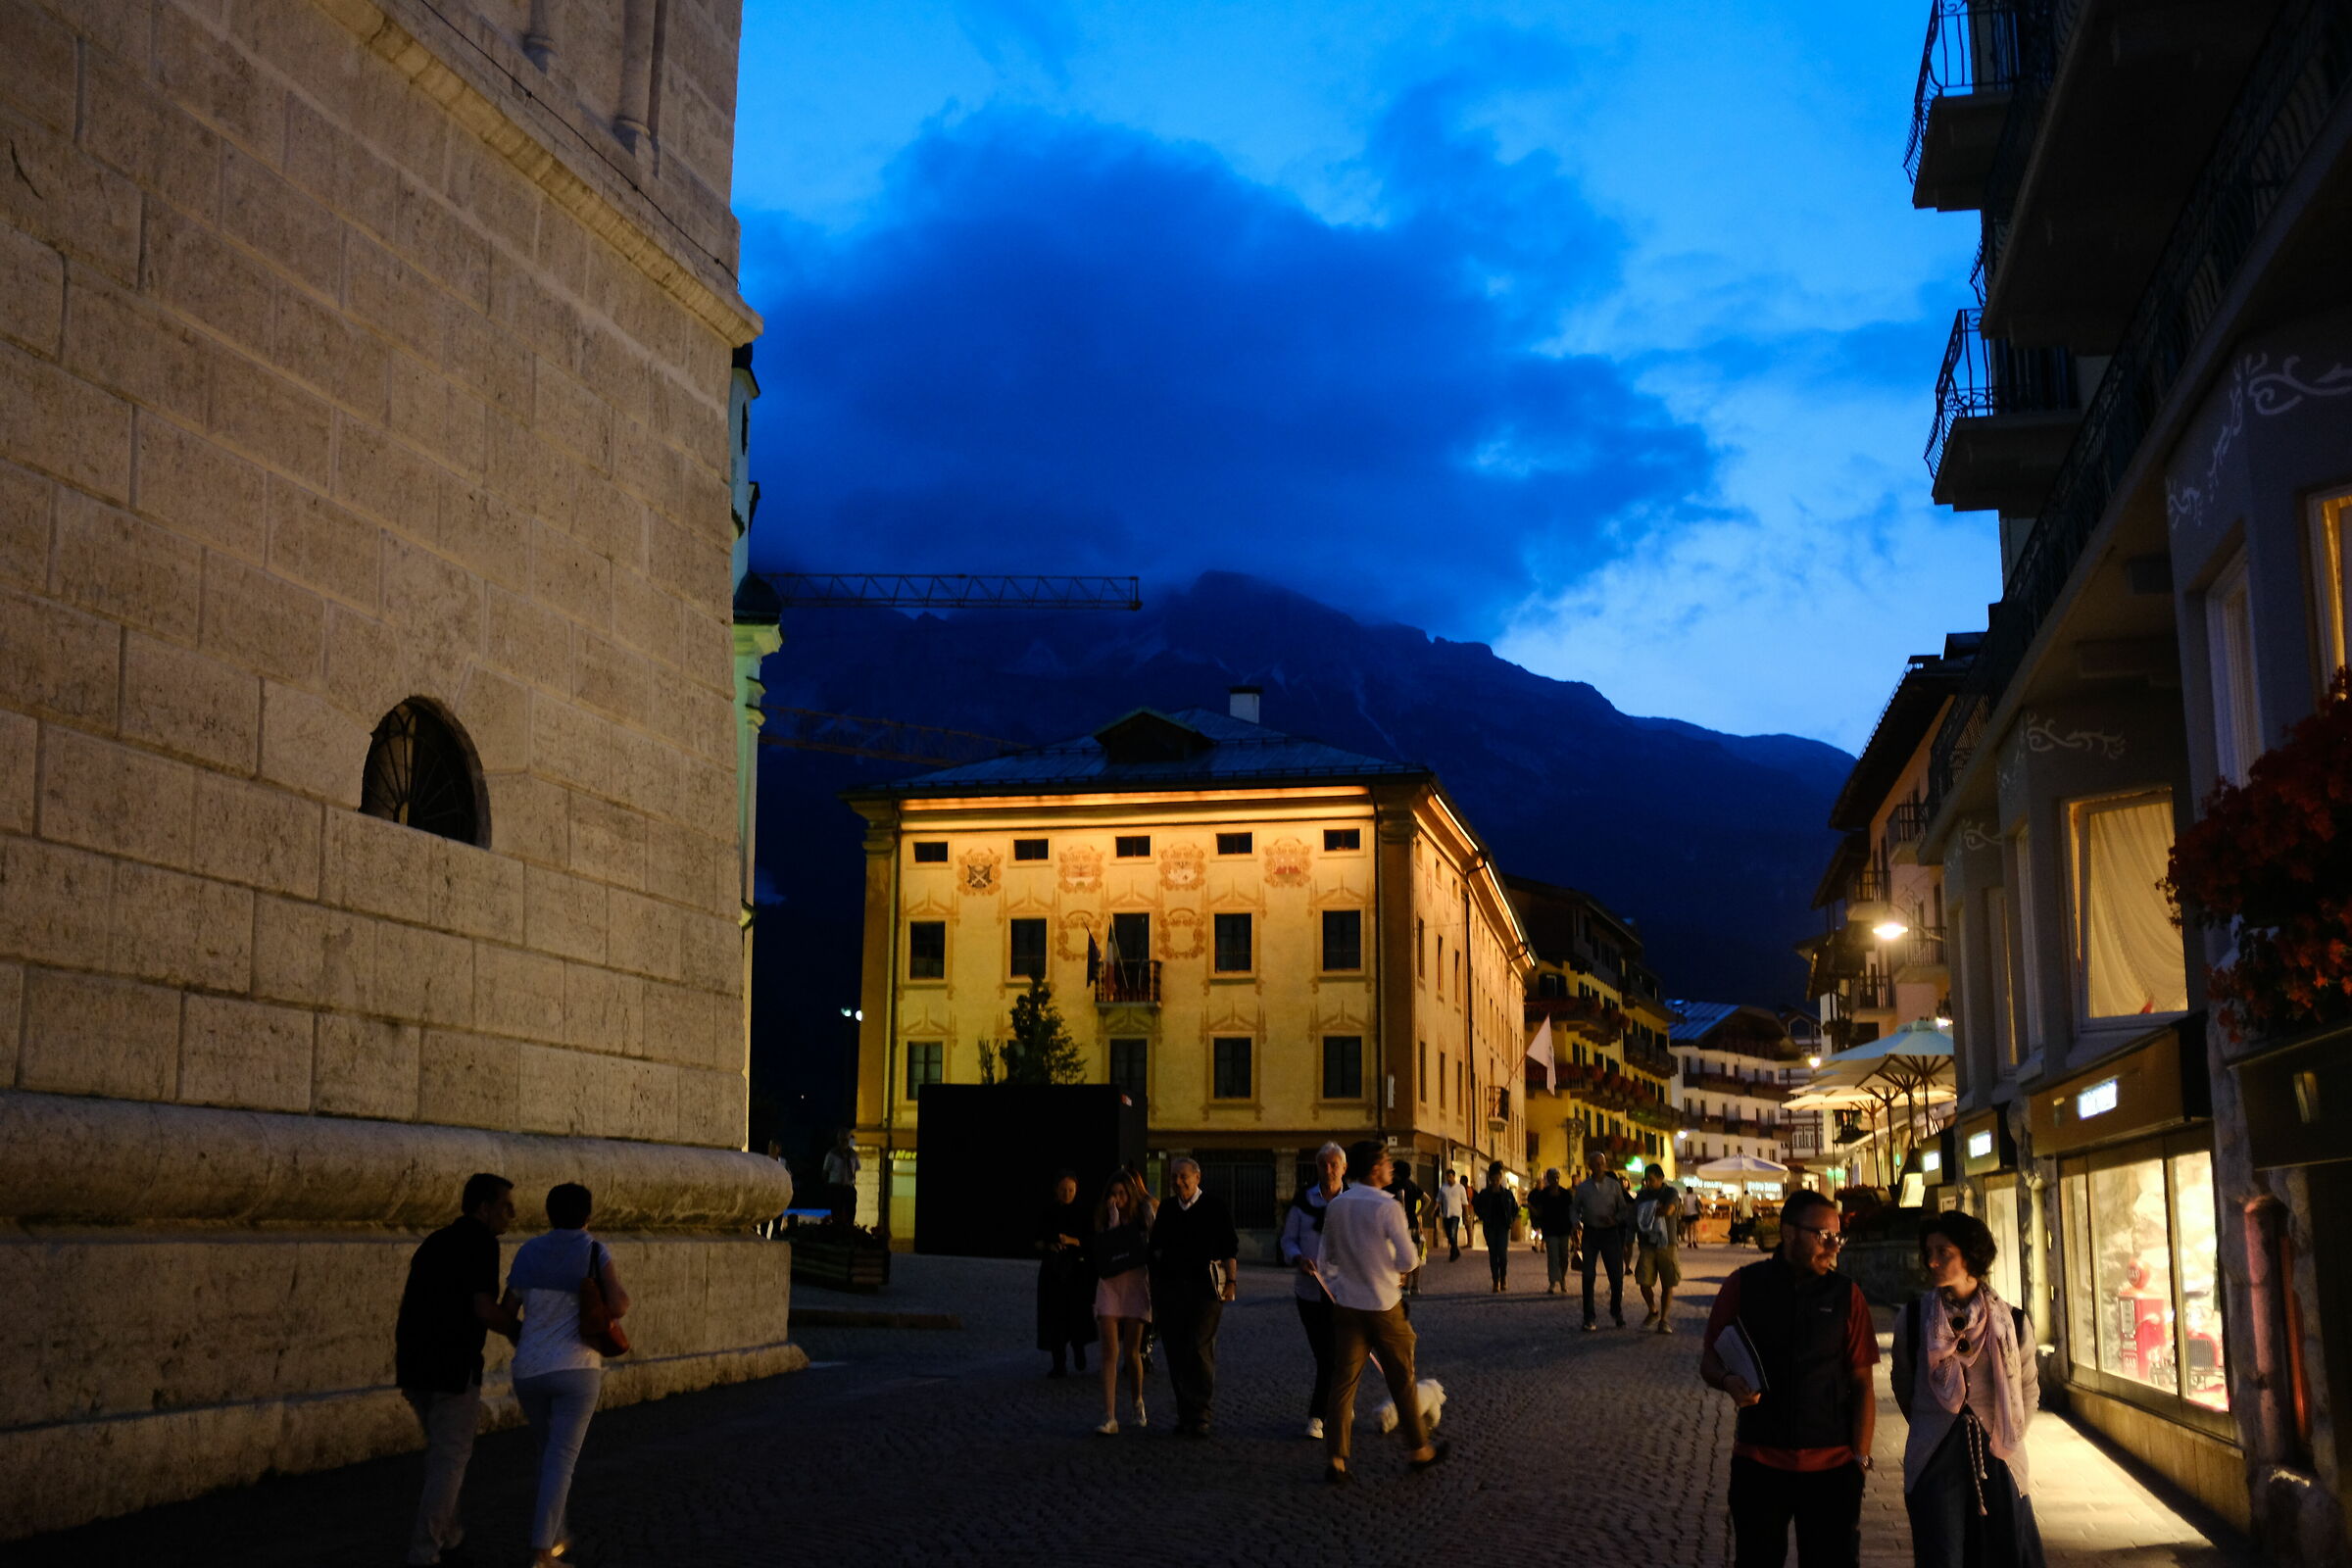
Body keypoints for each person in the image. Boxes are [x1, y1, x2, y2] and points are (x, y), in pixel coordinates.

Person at [1699, 1189, 1878, 1568]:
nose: (1833, 1246)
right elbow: (1710, 1359)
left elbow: (1863, 1381)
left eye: (1837, 1236)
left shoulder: (1847, 1295)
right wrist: (1727, 1380)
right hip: (1760, 1462)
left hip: (1831, 1468)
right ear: (1789, 1233)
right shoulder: (1743, 1285)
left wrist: (1859, 1458)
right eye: (1823, 1235)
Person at [1891, 1211, 2044, 1568]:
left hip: (2000, 1453)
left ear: (1970, 1255)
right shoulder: (1914, 1319)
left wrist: (2010, 1431)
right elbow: (1904, 1384)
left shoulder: (2012, 1321)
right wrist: (1932, 1422)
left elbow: (2028, 1389)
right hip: (1934, 1454)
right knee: (1941, 1552)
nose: (1932, 1260)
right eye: (1928, 1251)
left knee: (2005, 1550)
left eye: (1943, 1251)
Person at [500, 1183, 629, 1568]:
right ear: (588, 1215)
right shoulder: (593, 1251)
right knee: (561, 1459)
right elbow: (620, 1304)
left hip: (529, 1369)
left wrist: (523, 1339)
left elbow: (508, 1311)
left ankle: (557, 1535)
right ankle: (542, 1551)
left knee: (549, 1454)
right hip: (576, 1367)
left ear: (549, 1213)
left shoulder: (528, 1252)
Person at [394, 1172, 518, 1568]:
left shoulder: (436, 1240)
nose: (511, 1215)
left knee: (442, 1456)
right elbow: (483, 1310)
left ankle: (450, 1536)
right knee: (450, 1460)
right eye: (505, 1206)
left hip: (415, 1363)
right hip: (453, 1367)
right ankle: (425, 1550)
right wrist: (521, 1330)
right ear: (483, 1208)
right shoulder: (481, 1243)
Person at [1318, 1140, 1450, 1482]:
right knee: (1402, 1380)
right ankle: (1419, 1450)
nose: (1392, 1166)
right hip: (1383, 1304)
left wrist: (1345, 1278)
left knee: (1343, 1385)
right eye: (1388, 1161)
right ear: (1375, 1167)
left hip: (1347, 1305)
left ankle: (1336, 1459)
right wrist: (1393, 1268)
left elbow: (1326, 1260)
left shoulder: (1337, 1206)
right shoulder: (1387, 1206)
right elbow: (1408, 1259)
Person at [1149, 1157, 1239, 1438]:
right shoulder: (1166, 1209)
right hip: (1172, 1290)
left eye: (1183, 1176)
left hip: (1206, 1290)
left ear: (1197, 1177)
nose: (1178, 1182)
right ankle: (1185, 1412)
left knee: (1199, 1348)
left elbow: (1229, 1247)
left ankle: (1201, 1414)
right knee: (1176, 1351)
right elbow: (1156, 1248)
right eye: (1174, 1176)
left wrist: (1232, 1282)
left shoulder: (1214, 1207)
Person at [1279, 1142, 1349, 1440]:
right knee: (1326, 1355)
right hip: (1309, 1292)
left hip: (1344, 1292)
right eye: (1324, 1164)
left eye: (1334, 1164)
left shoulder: (1353, 1203)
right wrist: (1297, 1257)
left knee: (1336, 1357)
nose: (1329, 1169)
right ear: (1317, 1168)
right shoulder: (1302, 1202)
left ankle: (1319, 1415)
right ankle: (1334, 1407)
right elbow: (1288, 1239)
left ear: (1344, 1168)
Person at [1092, 1168, 1154, 1434]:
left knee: (1131, 1351)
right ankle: (1109, 1416)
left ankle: (1137, 1403)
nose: (1117, 1199)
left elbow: (1153, 1236)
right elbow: (1105, 1243)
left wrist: (1147, 1210)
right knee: (1109, 1352)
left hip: (1135, 1285)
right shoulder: (1105, 1219)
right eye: (1113, 1194)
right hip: (1110, 1285)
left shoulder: (1142, 1216)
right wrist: (1113, 1218)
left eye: (1121, 1194)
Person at [1036, 1170, 1097, 1377]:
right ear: (1056, 1190)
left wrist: (1071, 1241)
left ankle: (1079, 1351)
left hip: (1076, 1273)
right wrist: (1048, 1245)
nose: (1067, 1193)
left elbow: (1091, 1241)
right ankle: (1058, 1364)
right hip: (1053, 1271)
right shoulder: (1048, 1211)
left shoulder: (1083, 1213)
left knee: (1076, 1316)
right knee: (1054, 1319)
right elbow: (1037, 1239)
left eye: (1071, 1190)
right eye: (1063, 1190)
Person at [1572, 1162, 1631, 1329]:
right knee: (1588, 1275)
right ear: (1591, 1166)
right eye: (1595, 1164)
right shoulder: (1583, 1188)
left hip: (1610, 1233)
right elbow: (1574, 1209)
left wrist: (1615, 1219)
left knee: (1616, 1275)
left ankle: (1616, 1309)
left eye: (1601, 1164)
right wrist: (1576, 1222)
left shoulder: (1614, 1186)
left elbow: (1623, 1209)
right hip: (1590, 1233)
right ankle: (1589, 1317)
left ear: (1605, 1165)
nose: (1598, 1167)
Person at [1634, 1164, 1685, 1333]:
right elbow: (1636, 1212)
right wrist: (1654, 1210)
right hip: (1647, 1242)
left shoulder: (1671, 1193)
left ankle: (1664, 1319)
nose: (1648, 1183)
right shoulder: (1642, 1194)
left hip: (1667, 1242)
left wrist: (1646, 1212)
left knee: (1668, 1282)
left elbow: (1669, 1210)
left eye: (1651, 1180)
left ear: (1661, 1178)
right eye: (1646, 1180)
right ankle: (1653, 1310)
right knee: (1643, 1280)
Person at [1470, 1162, 1519, 1293]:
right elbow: (1476, 1204)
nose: (1496, 1181)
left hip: (1503, 1227)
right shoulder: (1485, 1194)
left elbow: (1515, 1208)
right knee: (1493, 1254)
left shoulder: (1507, 1194)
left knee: (1502, 1254)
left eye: (1498, 1179)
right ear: (1490, 1179)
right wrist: (1482, 1216)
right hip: (1490, 1226)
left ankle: (1503, 1278)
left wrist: (1511, 1220)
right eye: (1494, 1179)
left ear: (1501, 1177)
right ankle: (1495, 1281)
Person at [1527, 1169, 1578, 1296]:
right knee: (1553, 1257)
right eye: (1552, 1177)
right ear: (1548, 1179)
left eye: (1557, 1177)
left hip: (1564, 1229)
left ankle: (1562, 1278)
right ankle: (1553, 1282)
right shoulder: (1543, 1195)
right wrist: (1531, 1208)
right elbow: (1540, 1212)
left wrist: (1574, 1227)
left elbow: (1571, 1211)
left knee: (1564, 1257)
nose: (1555, 1180)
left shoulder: (1565, 1194)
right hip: (1550, 1230)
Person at [1385, 1158, 1430, 1296]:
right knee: (1416, 1256)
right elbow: (1427, 1199)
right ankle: (1415, 1286)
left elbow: (1399, 1201)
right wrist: (1418, 1214)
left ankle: (1404, 1286)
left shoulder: (1393, 1185)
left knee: (1401, 1254)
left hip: (1400, 1225)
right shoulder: (1412, 1185)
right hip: (1413, 1223)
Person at [822, 1130, 860, 1224]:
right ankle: (837, 1229)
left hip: (848, 1186)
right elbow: (826, 1171)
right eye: (842, 1140)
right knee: (836, 1210)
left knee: (850, 1210)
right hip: (836, 1186)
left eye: (846, 1140)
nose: (844, 1142)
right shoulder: (832, 1154)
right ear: (838, 1141)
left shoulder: (853, 1154)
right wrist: (827, 1185)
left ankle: (849, 1228)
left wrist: (853, 1179)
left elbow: (857, 1168)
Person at [1436, 1167, 1468, 1261]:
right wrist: (1434, 1210)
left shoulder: (1460, 1188)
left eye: (1450, 1176)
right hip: (1446, 1214)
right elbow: (1439, 1200)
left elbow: (1465, 1203)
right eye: (1447, 1177)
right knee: (1449, 1234)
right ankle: (1456, 1250)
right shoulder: (1443, 1187)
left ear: (1454, 1176)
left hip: (1456, 1214)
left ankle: (1453, 1254)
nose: (1448, 1178)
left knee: (1453, 1233)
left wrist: (1466, 1216)